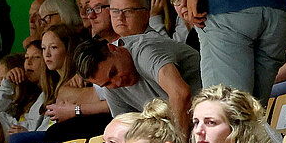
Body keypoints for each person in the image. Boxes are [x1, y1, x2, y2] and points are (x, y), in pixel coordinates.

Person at [71, 32, 201, 126]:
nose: (117, 82)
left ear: (114, 48)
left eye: (114, 72)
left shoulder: (145, 52)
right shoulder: (111, 88)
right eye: (107, 83)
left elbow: (180, 94)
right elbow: (125, 128)